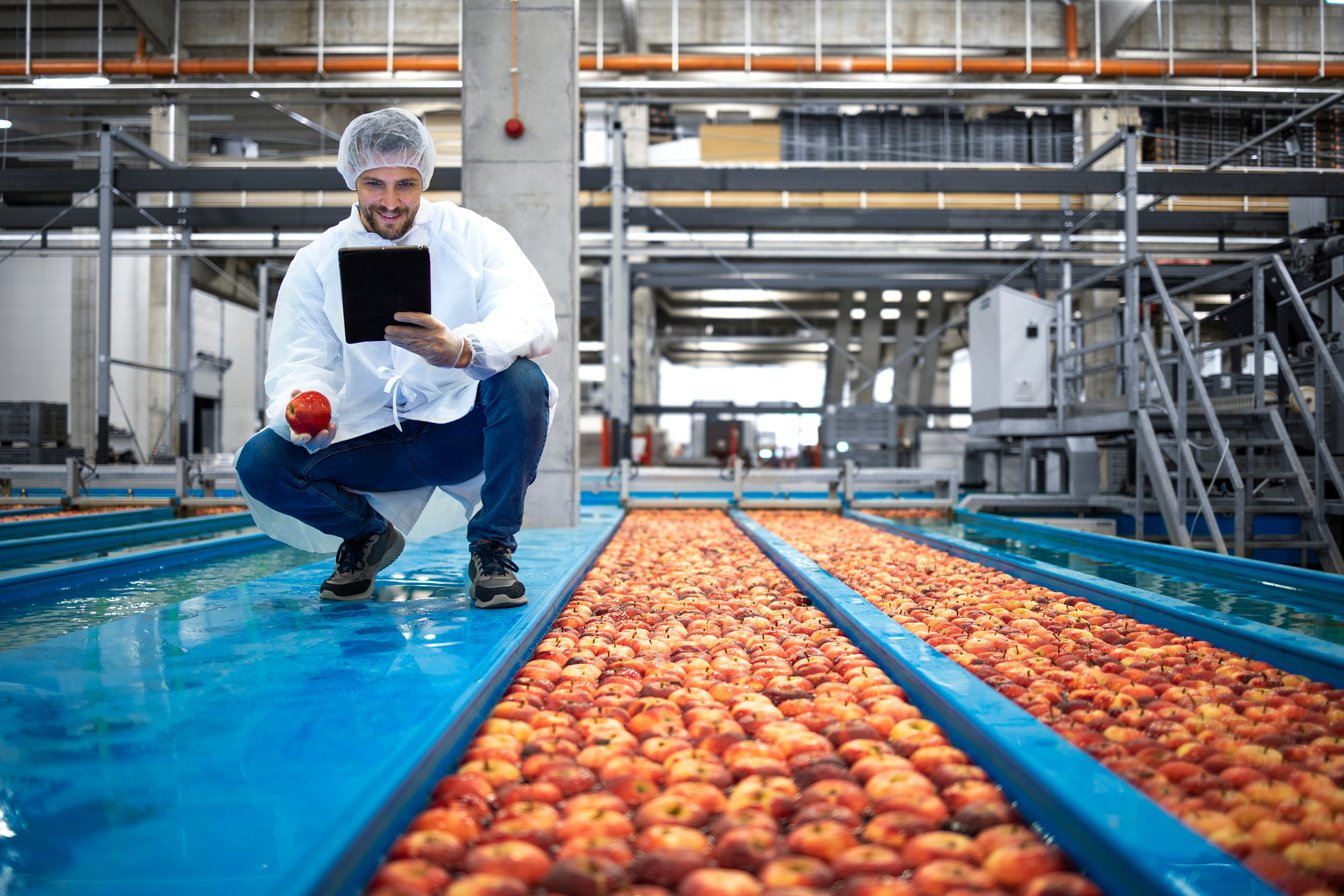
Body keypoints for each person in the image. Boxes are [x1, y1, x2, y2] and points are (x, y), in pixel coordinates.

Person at [235, 107, 557, 608]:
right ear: (353, 181)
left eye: (405, 184)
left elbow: (530, 312)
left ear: (424, 178)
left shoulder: (472, 236)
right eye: (374, 184)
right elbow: (302, 357)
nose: (390, 201)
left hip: (460, 430)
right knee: (261, 463)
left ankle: (492, 547)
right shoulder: (317, 262)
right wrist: (309, 401)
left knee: (522, 380)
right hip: (370, 440)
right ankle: (366, 536)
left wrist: (464, 350)